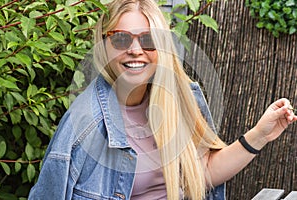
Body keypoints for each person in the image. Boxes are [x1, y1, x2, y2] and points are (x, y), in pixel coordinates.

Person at [28, 0, 297, 199]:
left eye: (148, 39)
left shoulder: (180, 96)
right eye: (121, 39)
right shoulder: (84, 124)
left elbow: (200, 173)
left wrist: (259, 135)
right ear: (104, 44)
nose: (136, 50)